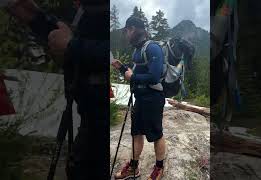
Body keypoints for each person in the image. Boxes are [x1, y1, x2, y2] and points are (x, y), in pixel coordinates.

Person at [3, 0, 108, 179]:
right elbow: (76, 39)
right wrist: (37, 19)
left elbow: (96, 49)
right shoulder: (90, 10)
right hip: (88, 119)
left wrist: (72, 46)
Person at [112, 16, 166, 180]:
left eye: (127, 31)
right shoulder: (137, 50)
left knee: (156, 134)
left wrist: (132, 78)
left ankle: (159, 168)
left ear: (133, 29)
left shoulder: (153, 48)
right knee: (136, 133)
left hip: (154, 98)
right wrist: (122, 68)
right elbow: (136, 74)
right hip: (140, 98)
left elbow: (154, 76)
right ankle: (134, 168)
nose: (126, 34)